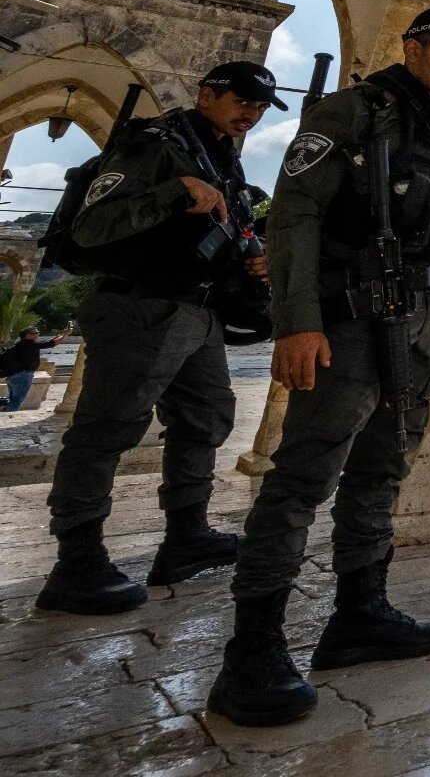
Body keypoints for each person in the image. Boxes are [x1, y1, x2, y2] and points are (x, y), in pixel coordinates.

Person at [208, 6, 430, 728]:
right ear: (413, 47)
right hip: (349, 325)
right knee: (303, 477)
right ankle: (252, 649)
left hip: (418, 329)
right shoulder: (355, 111)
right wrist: (296, 322)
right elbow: (295, 214)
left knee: (381, 472)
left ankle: (360, 613)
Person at [37, 63, 280, 615]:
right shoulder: (156, 146)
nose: (251, 114)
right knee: (107, 429)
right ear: (207, 94)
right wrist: (174, 191)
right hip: (138, 305)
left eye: (261, 108)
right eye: (242, 101)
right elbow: (92, 227)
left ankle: (186, 536)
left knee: (207, 418)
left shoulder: (221, 155)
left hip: (197, 310)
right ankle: (76, 560)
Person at [2, 325, 70, 411]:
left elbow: (49, 342)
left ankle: (6, 412)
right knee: (17, 400)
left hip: (14, 375)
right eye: (36, 333)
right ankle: (8, 417)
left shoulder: (22, 344)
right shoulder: (30, 345)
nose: (37, 335)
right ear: (28, 335)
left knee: (12, 399)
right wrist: (65, 334)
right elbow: (52, 344)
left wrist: (61, 334)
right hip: (22, 376)